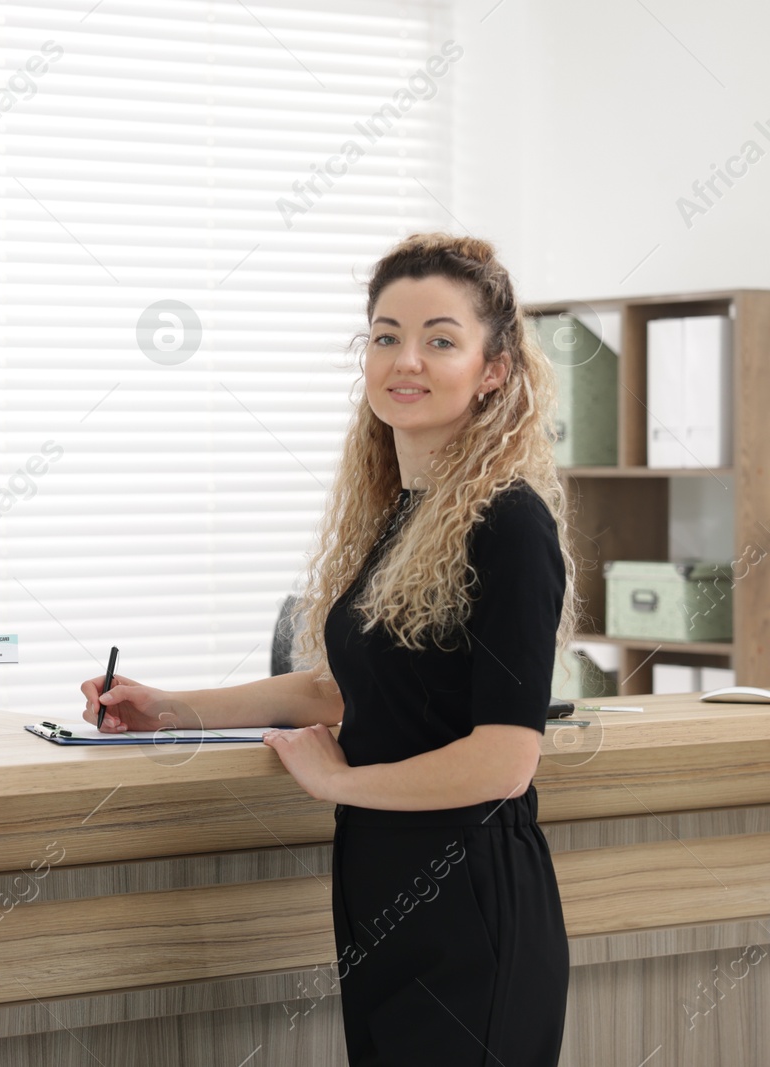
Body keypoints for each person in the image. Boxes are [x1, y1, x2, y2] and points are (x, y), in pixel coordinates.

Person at [82, 232, 573, 1065]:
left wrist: (339, 780)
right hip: (385, 893)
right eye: (386, 335)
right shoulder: (407, 517)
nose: (404, 359)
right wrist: (168, 706)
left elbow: (504, 759)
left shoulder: (511, 523)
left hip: (471, 908)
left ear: (494, 369)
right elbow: (340, 692)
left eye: (440, 339)